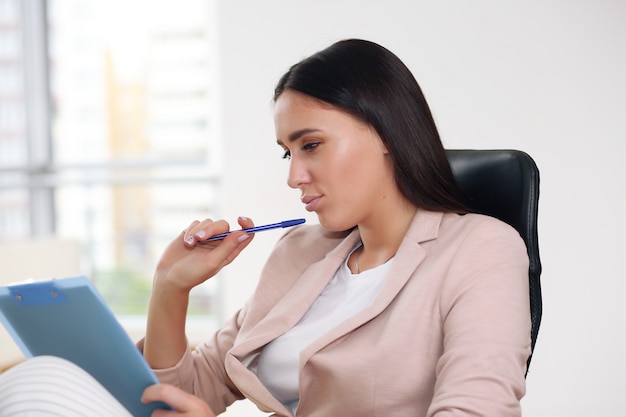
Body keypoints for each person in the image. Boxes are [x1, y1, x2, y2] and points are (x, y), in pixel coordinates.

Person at [0, 39, 531, 417]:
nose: (295, 176)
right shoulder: (302, 251)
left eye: (312, 145)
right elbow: (195, 391)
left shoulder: (481, 249)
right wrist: (170, 288)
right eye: (287, 153)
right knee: (44, 375)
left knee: (40, 384)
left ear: (386, 131)